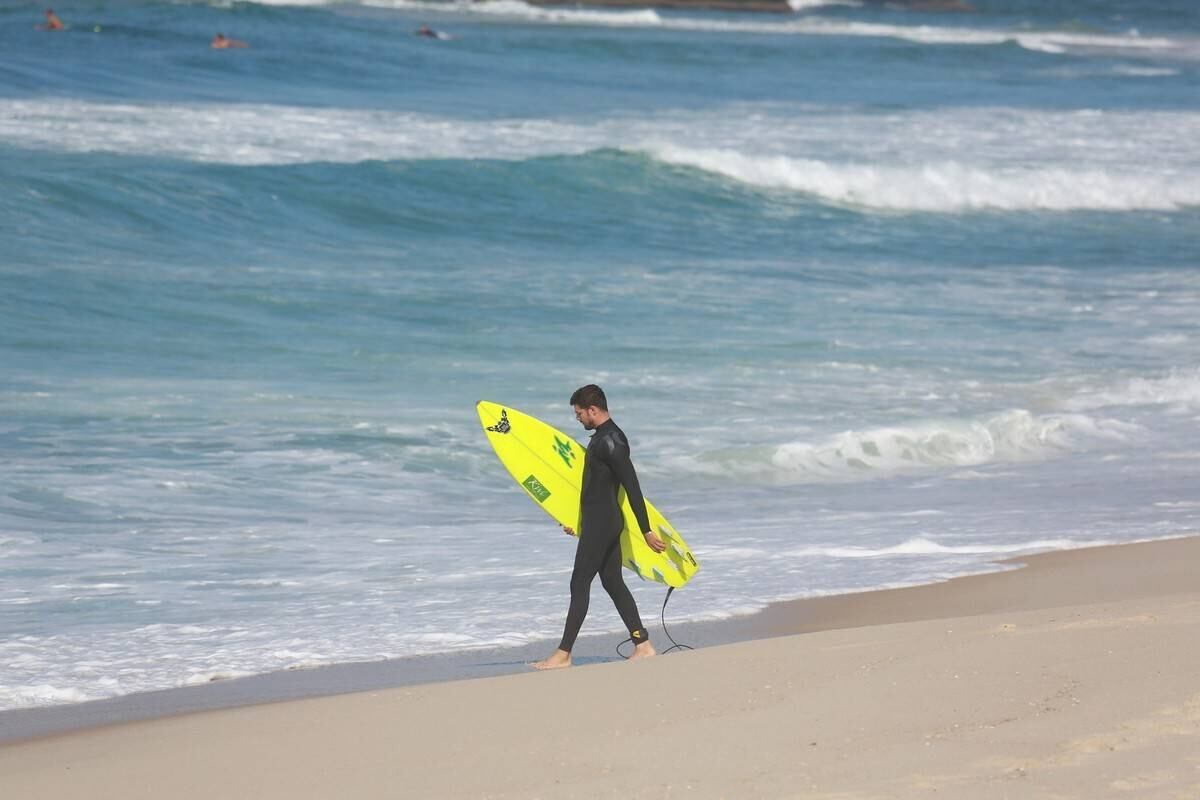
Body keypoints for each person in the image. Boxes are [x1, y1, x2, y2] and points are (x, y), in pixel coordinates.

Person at [532, 385, 667, 671]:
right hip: (597, 522)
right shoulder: (601, 439)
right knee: (612, 582)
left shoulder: (612, 442)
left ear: (593, 410)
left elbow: (632, 487)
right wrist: (577, 522)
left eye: (579, 413)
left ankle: (563, 654)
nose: (578, 418)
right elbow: (593, 489)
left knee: (579, 582)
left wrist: (646, 531)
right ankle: (643, 644)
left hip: (603, 523)